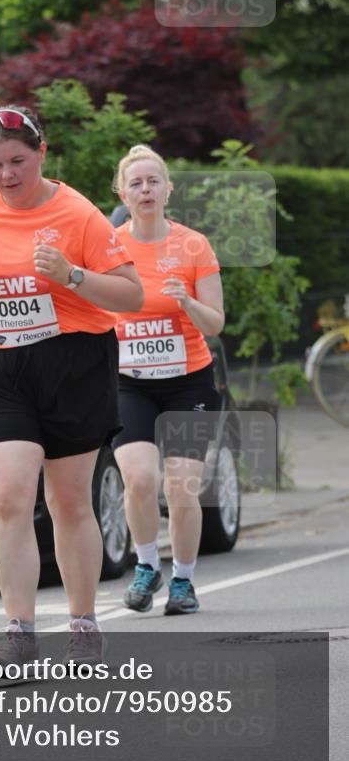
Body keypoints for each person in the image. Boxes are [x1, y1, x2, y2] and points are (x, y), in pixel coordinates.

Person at [0, 106, 143, 669]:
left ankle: (83, 624)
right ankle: (19, 634)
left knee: (68, 500)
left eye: (17, 161)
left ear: (41, 153)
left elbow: (130, 296)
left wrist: (70, 274)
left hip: (73, 362)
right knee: (8, 496)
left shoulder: (78, 214)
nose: (6, 175)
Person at [112, 144, 225, 615]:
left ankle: (183, 580)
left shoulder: (193, 245)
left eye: (153, 181)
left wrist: (186, 303)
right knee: (138, 479)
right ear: (122, 192)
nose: (145, 190)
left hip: (188, 380)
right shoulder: (109, 244)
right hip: (128, 381)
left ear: (168, 189)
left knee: (180, 487)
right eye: (135, 183)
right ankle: (144, 565)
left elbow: (215, 323)